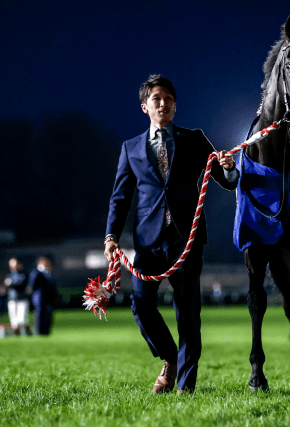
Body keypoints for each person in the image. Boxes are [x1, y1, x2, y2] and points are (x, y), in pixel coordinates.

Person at [104, 74, 239, 394]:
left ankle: (185, 386)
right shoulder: (130, 148)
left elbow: (226, 181)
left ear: (175, 105)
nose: (163, 103)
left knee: (187, 311)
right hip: (147, 242)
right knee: (140, 304)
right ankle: (170, 357)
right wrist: (111, 236)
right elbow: (120, 198)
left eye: (168, 99)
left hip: (186, 239)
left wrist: (228, 166)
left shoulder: (195, 139)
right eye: (156, 99)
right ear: (144, 106)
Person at [28, 256, 58, 335]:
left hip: (48, 299)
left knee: (48, 316)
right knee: (39, 316)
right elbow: (32, 285)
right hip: (40, 299)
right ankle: (39, 331)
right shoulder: (36, 273)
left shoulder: (48, 273)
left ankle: (46, 331)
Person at [4, 258, 32, 335]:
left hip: (22, 298)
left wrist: (12, 283)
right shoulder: (9, 275)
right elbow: (7, 284)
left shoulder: (23, 274)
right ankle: (17, 333)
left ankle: (27, 331)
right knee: (13, 319)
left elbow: (21, 284)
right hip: (12, 298)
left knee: (22, 318)